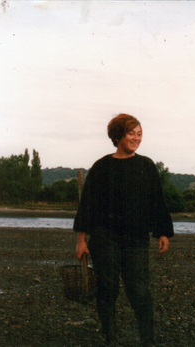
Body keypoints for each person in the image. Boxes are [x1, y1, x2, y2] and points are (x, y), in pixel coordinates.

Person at [73, 113, 173, 347]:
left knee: (139, 291)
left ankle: (147, 340)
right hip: (104, 238)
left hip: (136, 239)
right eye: (131, 133)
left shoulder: (146, 165)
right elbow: (87, 204)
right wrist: (81, 240)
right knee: (107, 289)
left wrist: (162, 232)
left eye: (139, 134)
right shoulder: (101, 167)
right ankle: (111, 339)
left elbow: (157, 201)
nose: (136, 138)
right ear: (118, 135)